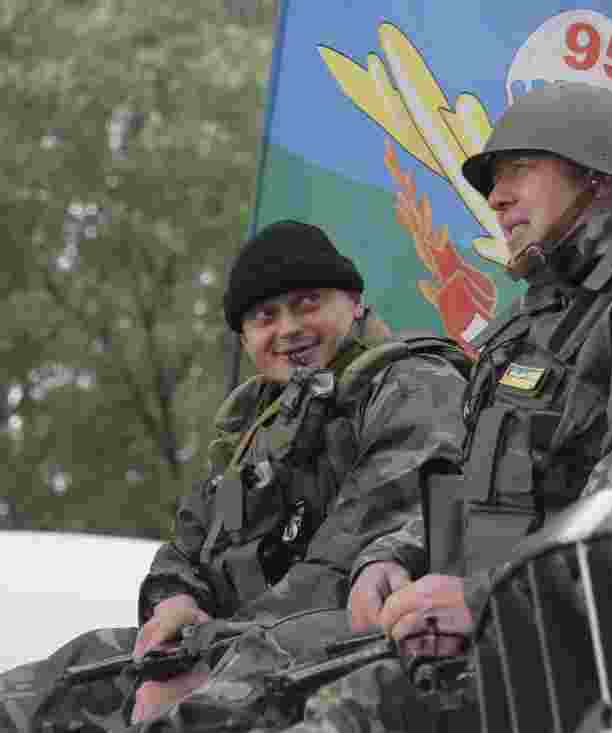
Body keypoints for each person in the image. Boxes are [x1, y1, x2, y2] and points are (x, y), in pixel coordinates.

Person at [280, 82, 612, 732]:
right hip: (499, 639)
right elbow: (488, 490)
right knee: (245, 685)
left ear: (598, 176)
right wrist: (397, 555)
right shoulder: (534, 328)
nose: (497, 197)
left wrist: (477, 598)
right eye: (494, 181)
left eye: (520, 170)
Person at [0, 220, 470, 732]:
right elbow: (186, 547)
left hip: (353, 645)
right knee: (40, 692)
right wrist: (174, 603)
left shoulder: (412, 385)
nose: (288, 329)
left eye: (308, 304)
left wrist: (207, 656)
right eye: (266, 316)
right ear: (246, 339)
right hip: (236, 642)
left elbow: (347, 564)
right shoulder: (250, 424)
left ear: (355, 304)